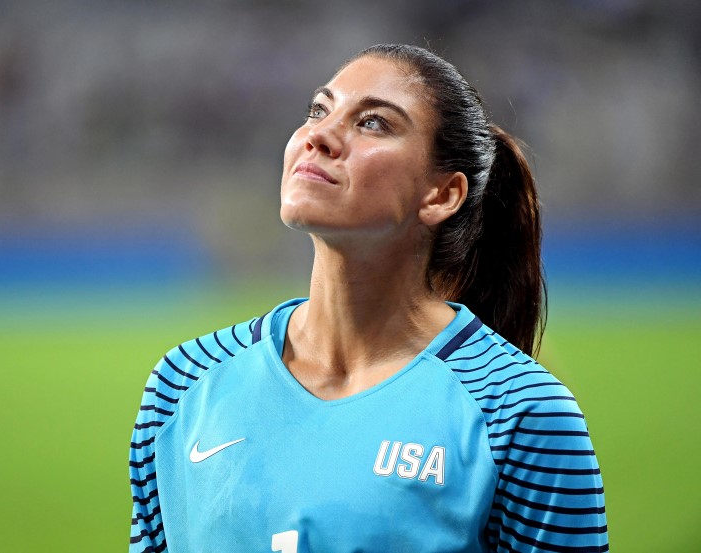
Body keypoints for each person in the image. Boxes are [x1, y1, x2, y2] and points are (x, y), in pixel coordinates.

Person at [129, 44, 608, 553]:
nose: (319, 136)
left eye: (373, 123)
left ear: (441, 195)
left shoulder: (520, 411)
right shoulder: (182, 385)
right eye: (319, 110)